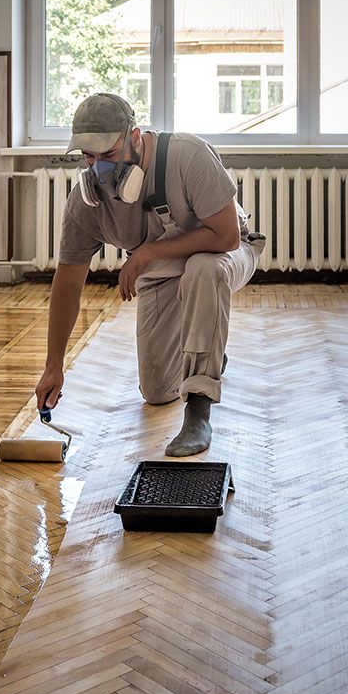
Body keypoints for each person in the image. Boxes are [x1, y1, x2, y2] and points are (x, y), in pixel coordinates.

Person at [35, 92, 266, 456]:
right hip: (163, 271)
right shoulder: (86, 203)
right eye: (88, 157)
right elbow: (67, 285)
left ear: (135, 138)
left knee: (202, 269)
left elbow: (225, 236)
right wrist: (53, 367)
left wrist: (150, 252)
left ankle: (199, 411)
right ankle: (210, 352)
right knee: (157, 391)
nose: (98, 169)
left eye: (108, 156)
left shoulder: (188, 155)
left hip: (226, 252)